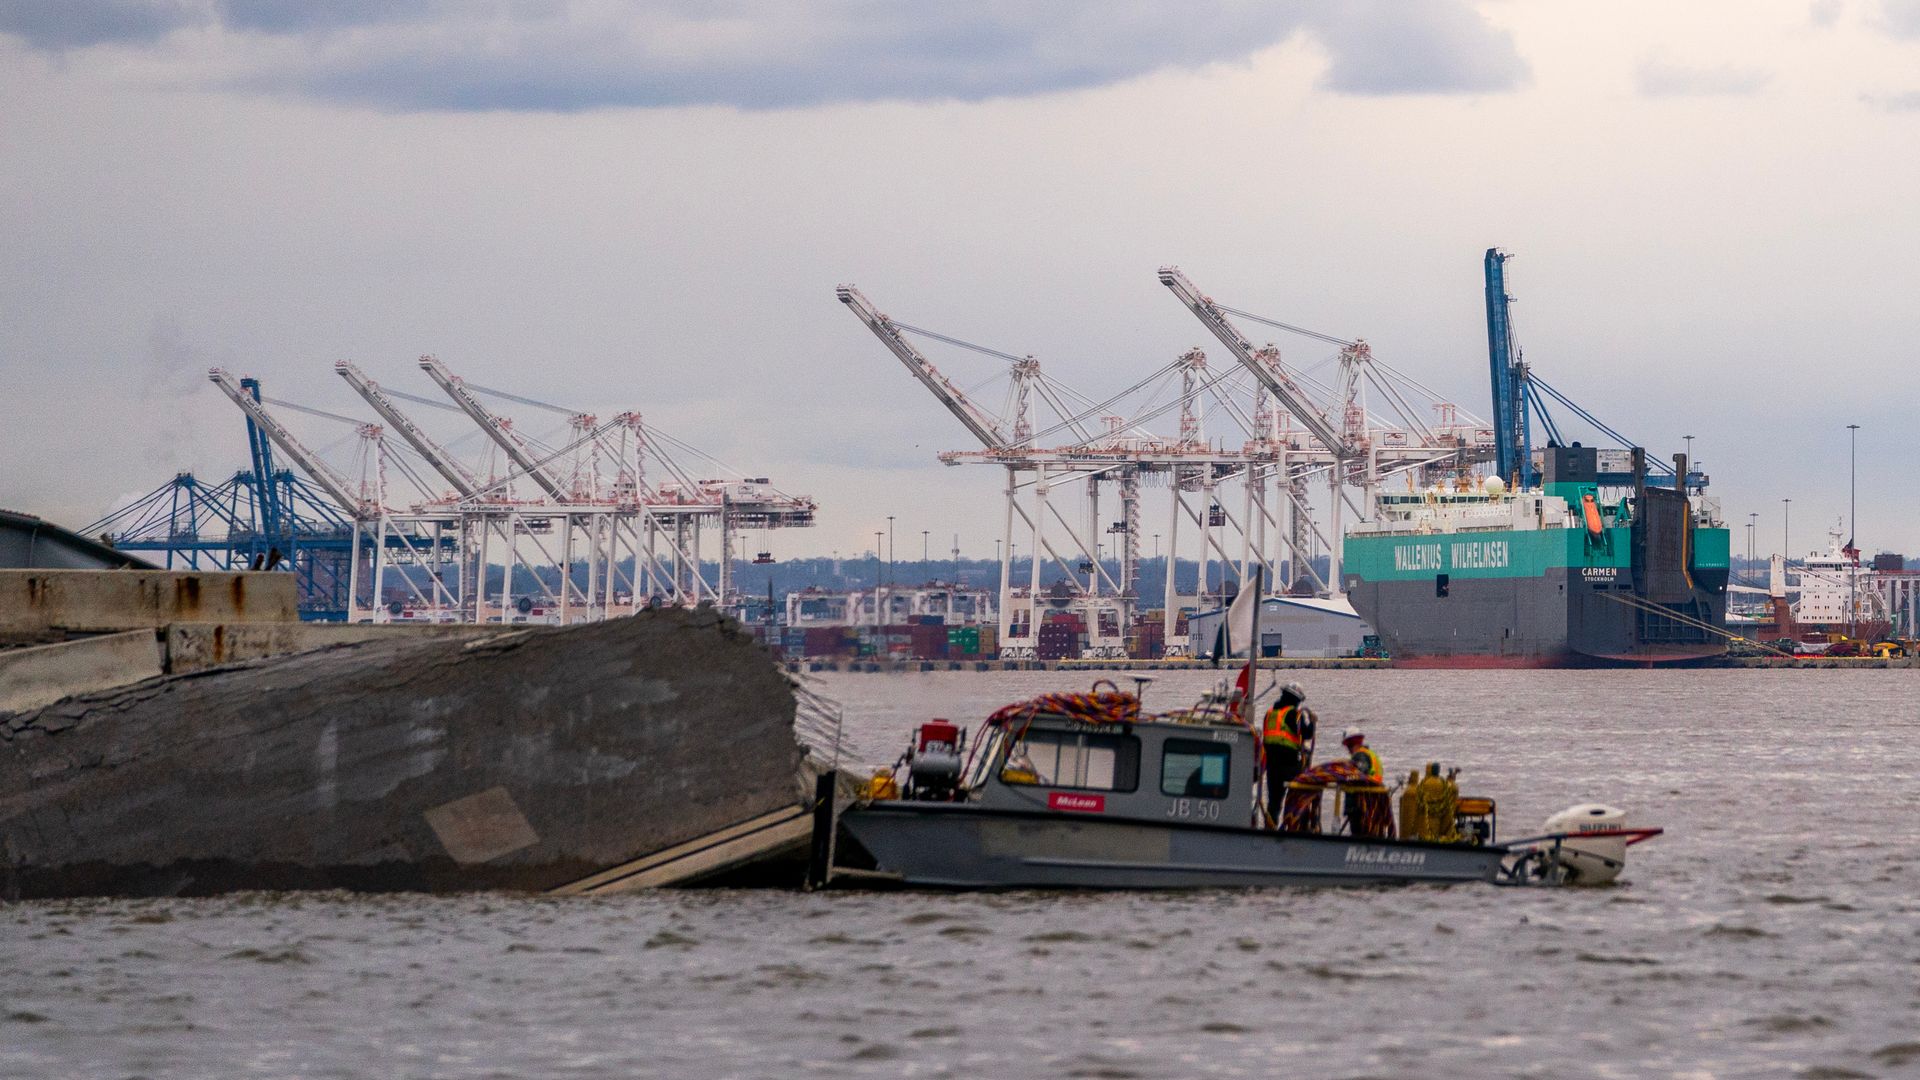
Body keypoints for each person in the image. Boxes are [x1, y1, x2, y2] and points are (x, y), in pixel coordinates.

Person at [1261, 683, 1312, 818]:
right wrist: (1312, 722)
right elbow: (1306, 734)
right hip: (1290, 766)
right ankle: (1294, 827)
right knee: (1298, 799)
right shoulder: (1294, 714)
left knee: (1273, 804)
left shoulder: (1270, 713)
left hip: (1271, 767)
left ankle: (1270, 830)